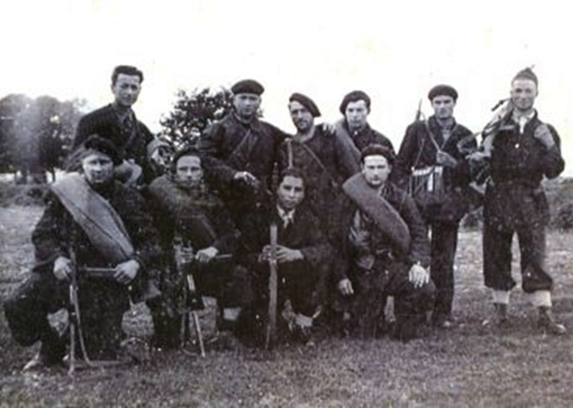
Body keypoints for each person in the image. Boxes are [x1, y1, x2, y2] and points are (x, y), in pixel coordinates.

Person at [4, 135, 161, 370]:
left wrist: (135, 263)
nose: (98, 169)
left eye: (104, 162)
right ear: (82, 165)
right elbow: (42, 234)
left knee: (95, 353)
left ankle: (91, 335)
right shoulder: (66, 193)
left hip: (107, 280)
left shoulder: (128, 198)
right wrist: (57, 258)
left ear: (114, 165)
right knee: (18, 304)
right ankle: (51, 345)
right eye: (92, 162)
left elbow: (151, 241)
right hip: (66, 272)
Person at [479, 68, 566, 334]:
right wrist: (486, 143)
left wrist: (549, 145)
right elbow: (482, 165)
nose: (523, 96)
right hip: (498, 197)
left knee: (535, 255)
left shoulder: (545, 130)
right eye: (518, 90)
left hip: (530, 198)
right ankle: (499, 313)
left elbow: (554, 170)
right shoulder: (496, 128)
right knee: (496, 253)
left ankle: (544, 314)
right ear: (510, 93)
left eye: (528, 90)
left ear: (537, 93)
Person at [330, 144, 435, 341]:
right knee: (365, 333)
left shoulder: (402, 199)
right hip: (359, 268)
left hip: (390, 264)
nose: (375, 173)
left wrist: (418, 264)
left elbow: (419, 233)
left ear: (389, 169)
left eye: (380, 167)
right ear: (362, 169)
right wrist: (341, 275)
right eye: (370, 167)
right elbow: (336, 240)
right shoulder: (348, 197)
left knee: (422, 287)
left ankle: (405, 324)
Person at [145, 148, 246, 349]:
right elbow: (151, 235)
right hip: (170, 268)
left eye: (194, 169)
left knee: (238, 275)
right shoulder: (158, 199)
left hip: (204, 266)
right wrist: (173, 251)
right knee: (169, 341)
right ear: (174, 172)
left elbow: (231, 234)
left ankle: (226, 332)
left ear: (202, 172)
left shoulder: (213, 201)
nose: (189, 174)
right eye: (183, 169)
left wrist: (212, 249)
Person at [393, 84, 475, 329]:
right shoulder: (417, 130)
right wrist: (406, 196)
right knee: (413, 256)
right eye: (437, 102)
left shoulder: (465, 134)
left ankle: (442, 314)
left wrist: (454, 164)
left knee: (444, 260)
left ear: (454, 103)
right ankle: (413, 311)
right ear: (431, 105)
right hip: (418, 203)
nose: (442, 107)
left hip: (448, 206)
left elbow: (473, 172)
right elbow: (400, 165)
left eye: (447, 102)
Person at [239, 168, 332, 345]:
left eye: (298, 190)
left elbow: (324, 248)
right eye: (287, 188)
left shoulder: (309, 218)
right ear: (277, 189)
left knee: (319, 264)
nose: (291, 195)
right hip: (264, 280)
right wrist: (261, 257)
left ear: (304, 194)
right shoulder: (259, 216)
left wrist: (298, 254)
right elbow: (243, 254)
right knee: (262, 336)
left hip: (297, 280)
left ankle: (304, 322)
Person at [197, 79, 287, 229]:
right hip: (225, 202)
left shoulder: (269, 131)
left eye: (252, 99)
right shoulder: (218, 129)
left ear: (259, 102)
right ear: (234, 100)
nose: (247, 103)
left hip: (258, 204)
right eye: (243, 98)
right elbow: (203, 157)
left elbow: (296, 141)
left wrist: (320, 129)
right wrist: (233, 174)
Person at [277, 92, 359, 229]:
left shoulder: (330, 137)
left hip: (335, 211)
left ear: (313, 113)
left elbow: (352, 172)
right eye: (295, 112)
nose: (299, 116)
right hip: (304, 214)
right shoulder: (287, 147)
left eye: (304, 111)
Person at [72, 65, 155, 185]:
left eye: (134, 87)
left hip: (133, 190)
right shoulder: (91, 121)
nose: (129, 92)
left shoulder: (142, 129)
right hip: (99, 189)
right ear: (113, 88)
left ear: (139, 90)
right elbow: (75, 162)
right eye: (124, 86)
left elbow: (147, 167)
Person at [335, 90, 395, 156]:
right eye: (350, 110)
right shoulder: (335, 139)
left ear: (368, 111)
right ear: (345, 112)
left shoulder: (381, 142)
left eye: (359, 110)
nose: (354, 115)